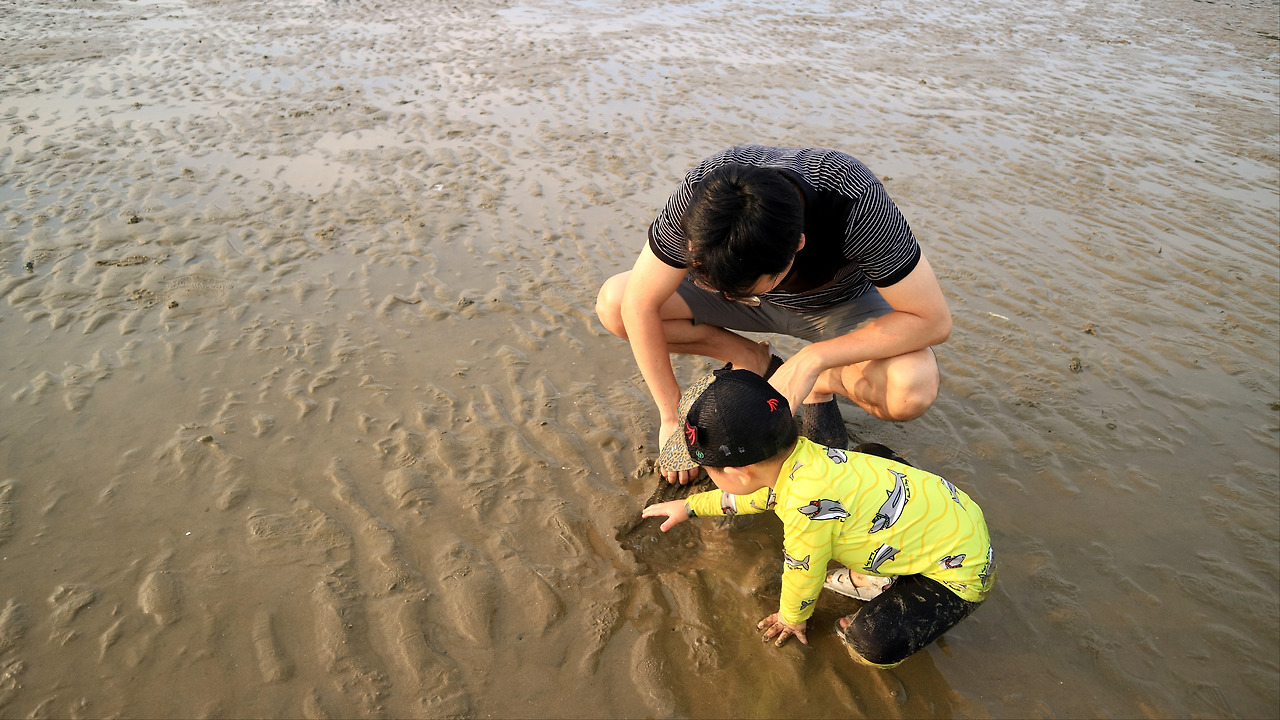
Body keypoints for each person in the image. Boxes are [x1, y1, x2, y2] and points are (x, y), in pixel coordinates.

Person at [596, 145, 952, 485]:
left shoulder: (852, 197)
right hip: (739, 306)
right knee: (615, 304)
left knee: (911, 387)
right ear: (693, 246)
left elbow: (933, 320)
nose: (734, 295)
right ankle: (752, 359)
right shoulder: (705, 197)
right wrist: (670, 414)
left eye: (748, 287)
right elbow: (638, 303)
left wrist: (813, 360)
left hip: (837, 307)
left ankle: (820, 383)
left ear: (798, 245)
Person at [641, 366, 994, 668]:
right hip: (954, 515)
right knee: (869, 455)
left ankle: (886, 580)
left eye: (708, 469)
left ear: (738, 474)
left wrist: (790, 618)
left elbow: (803, 572)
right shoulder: (807, 457)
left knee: (870, 643)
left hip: (960, 575)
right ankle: (885, 568)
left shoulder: (804, 510)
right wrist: (691, 506)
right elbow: (759, 494)